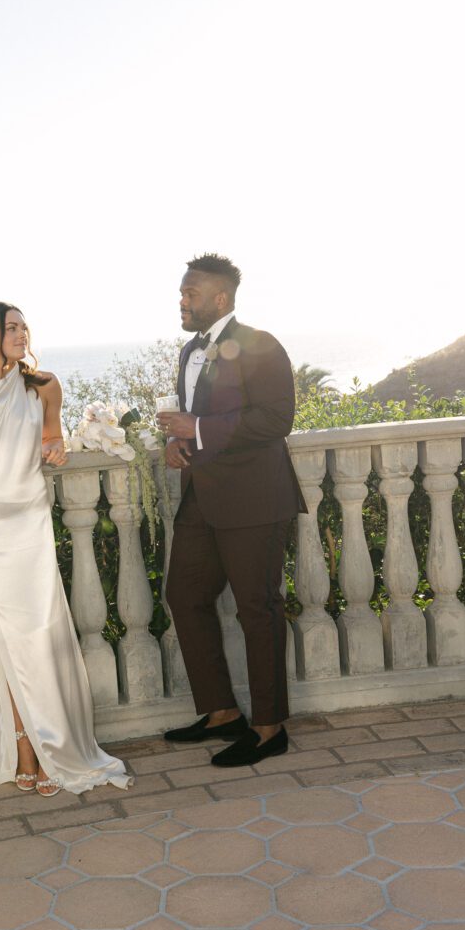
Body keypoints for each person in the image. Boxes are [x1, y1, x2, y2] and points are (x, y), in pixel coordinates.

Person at [0, 301, 131, 796]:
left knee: (36, 633)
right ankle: (23, 749)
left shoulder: (44, 386)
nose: (22, 334)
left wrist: (57, 448)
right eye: (11, 328)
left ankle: (51, 746)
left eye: (24, 327)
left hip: (27, 521)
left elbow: (52, 438)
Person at [157, 254, 306, 767]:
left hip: (255, 499)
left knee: (257, 609)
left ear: (220, 298)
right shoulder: (187, 352)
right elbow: (192, 421)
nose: (182, 300)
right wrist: (178, 445)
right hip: (202, 498)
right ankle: (222, 712)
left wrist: (195, 430)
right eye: (181, 292)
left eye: (190, 293)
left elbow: (276, 417)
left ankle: (269, 728)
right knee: (184, 594)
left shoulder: (262, 344)